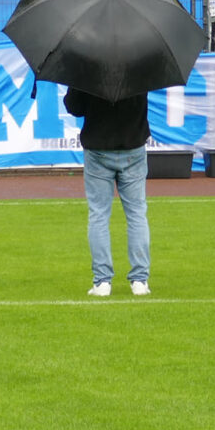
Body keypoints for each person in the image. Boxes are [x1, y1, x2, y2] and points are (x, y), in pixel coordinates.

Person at [63, 87, 151, 297]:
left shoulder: (88, 71)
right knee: (137, 214)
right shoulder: (139, 69)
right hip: (132, 146)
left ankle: (102, 281)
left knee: (99, 215)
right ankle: (140, 280)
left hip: (99, 148)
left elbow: (74, 107)